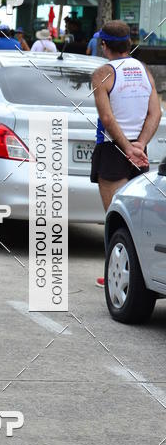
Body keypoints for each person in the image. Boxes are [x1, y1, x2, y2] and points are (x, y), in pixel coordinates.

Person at [90, 20, 162, 286]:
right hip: (139, 151)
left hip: (112, 149)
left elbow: (107, 119)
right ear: (129, 44)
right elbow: (156, 112)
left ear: (104, 45)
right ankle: (136, 272)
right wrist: (140, 144)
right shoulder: (144, 71)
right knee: (135, 218)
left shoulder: (102, 74)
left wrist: (126, 148)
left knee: (114, 216)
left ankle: (115, 275)